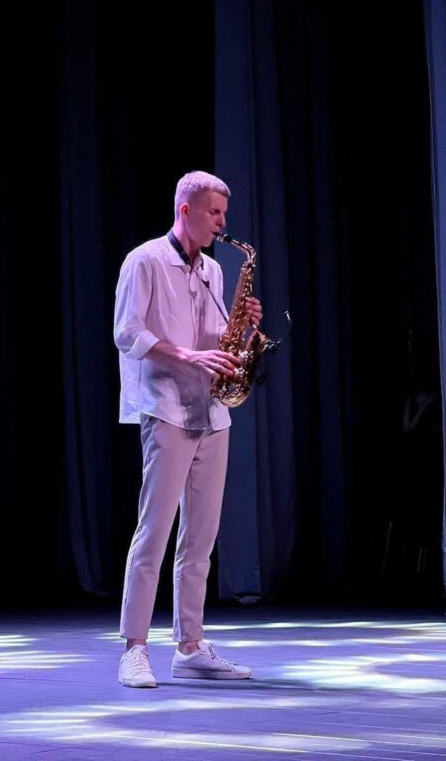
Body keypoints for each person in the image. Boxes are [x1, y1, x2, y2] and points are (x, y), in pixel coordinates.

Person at [114, 170, 262, 688]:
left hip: (211, 412)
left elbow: (214, 339)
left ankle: (190, 646)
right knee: (153, 533)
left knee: (201, 538)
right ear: (186, 210)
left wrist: (243, 330)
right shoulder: (145, 260)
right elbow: (127, 332)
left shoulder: (215, 271)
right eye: (214, 213)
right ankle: (134, 648)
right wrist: (188, 354)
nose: (222, 222)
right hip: (167, 408)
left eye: (224, 213)